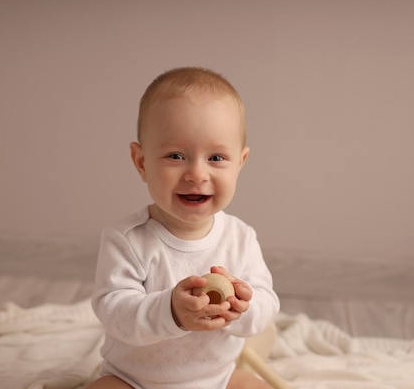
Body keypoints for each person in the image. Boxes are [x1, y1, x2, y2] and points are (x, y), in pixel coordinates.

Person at [88, 67, 280, 389]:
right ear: (142, 162)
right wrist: (171, 312)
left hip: (216, 378)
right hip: (134, 380)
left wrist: (244, 306)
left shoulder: (240, 238)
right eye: (176, 156)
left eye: (216, 157)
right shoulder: (127, 238)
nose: (197, 174)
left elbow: (267, 304)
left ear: (240, 163)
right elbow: (114, 312)